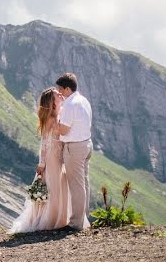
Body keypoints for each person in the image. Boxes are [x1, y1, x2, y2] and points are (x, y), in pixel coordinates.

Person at [9, 88, 71, 233]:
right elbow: (44, 142)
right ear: (52, 101)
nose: (61, 95)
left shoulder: (60, 114)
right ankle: (49, 220)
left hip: (60, 156)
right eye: (58, 95)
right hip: (52, 156)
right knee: (53, 187)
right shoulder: (50, 118)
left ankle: (60, 218)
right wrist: (42, 163)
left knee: (59, 185)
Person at [55, 72, 92, 230]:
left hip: (74, 147)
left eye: (61, 90)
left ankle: (76, 223)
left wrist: (55, 120)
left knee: (76, 186)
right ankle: (83, 218)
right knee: (84, 183)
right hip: (86, 144)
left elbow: (63, 130)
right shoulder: (83, 100)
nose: (60, 93)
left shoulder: (70, 104)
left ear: (68, 89)